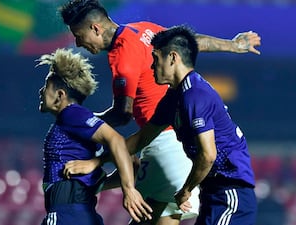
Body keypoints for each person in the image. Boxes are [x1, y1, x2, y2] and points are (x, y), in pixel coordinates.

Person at [58, 1, 261, 225]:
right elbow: (189, 43)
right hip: (172, 146)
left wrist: (78, 122)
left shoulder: (123, 56)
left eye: (79, 35)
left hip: (168, 147)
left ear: (95, 28)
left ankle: (85, 185)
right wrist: (232, 45)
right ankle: (91, 183)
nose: (78, 43)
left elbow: (122, 114)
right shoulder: (144, 30)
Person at [125, 24, 257, 225]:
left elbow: (208, 155)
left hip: (230, 192)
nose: (151, 66)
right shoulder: (174, 97)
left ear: (173, 58)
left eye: (155, 59)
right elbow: (142, 138)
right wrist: (97, 160)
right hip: (212, 192)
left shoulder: (194, 95)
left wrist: (186, 190)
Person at [37, 48, 152, 225]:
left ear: (60, 95)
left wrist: (128, 189)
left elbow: (116, 140)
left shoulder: (71, 113)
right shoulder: (82, 124)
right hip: (82, 212)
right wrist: (92, 183)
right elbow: (133, 162)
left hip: (66, 213)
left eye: (46, 86)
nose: (41, 91)